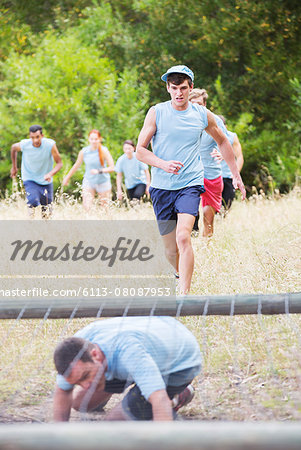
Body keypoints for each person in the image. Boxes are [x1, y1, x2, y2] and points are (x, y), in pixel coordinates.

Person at [136, 65, 246, 294]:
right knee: (169, 249)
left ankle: (184, 296)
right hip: (161, 186)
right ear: (167, 88)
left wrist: (235, 175)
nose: (179, 93)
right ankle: (178, 273)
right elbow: (140, 150)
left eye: (183, 88)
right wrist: (163, 164)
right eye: (174, 88)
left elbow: (224, 142)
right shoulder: (156, 112)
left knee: (183, 236)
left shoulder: (203, 115)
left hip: (191, 183)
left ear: (191, 88)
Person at [53, 316, 202, 421]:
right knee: (80, 404)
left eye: (85, 376)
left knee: (115, 427)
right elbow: (63, 391)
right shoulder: (73, 352)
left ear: (95, 354)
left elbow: (158, 398)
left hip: (178, 364)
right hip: (138, 354)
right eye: (78, 382)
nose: (86, 385)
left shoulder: (130, 352)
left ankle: (178, 396)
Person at [189, 89, 235, 237]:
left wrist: (222, 154)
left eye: (199, 104)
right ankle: (188, 244)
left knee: (208, 217)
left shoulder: (215, 120)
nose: (196, 107)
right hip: (190, 173)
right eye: (192, 104)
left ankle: (207, 249)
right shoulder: (181, 120)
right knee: (189, 213)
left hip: (211, 174)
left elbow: (226, 142)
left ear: (205, 104)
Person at [10, 124, 63, 218]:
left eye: (37, 137)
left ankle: (45, 229)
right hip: (30, 178)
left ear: (42, 136)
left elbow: (59, 163)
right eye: (32, 138)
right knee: (32, 201)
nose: (35, 140)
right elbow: (13, 148)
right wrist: (14, 167)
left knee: (47, 211)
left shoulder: (50, 145)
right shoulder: (25, 144)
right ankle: (31, 222)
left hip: (45, 180)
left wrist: (50, 174)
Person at [63, 129, 114, 209]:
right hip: (89, 181)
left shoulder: (104, 151)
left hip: (103, 181)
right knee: (87, 207)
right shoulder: (84, 151)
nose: (94, 141)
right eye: (92, 139)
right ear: (88, 139)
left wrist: (99, 171)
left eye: (96, 139)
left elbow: (112, 168)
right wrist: (67, 177)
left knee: (105, 208)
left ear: (100, 139)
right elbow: (76, 165)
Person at [213, 115, 244, 210]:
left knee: (227, 206)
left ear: (225, 127)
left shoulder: (232, 137)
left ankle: (221, 221)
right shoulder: (208, 135)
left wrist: (235, 174)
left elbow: (239, 157)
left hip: (228, 176)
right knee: (213, 207)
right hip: (213, 176)